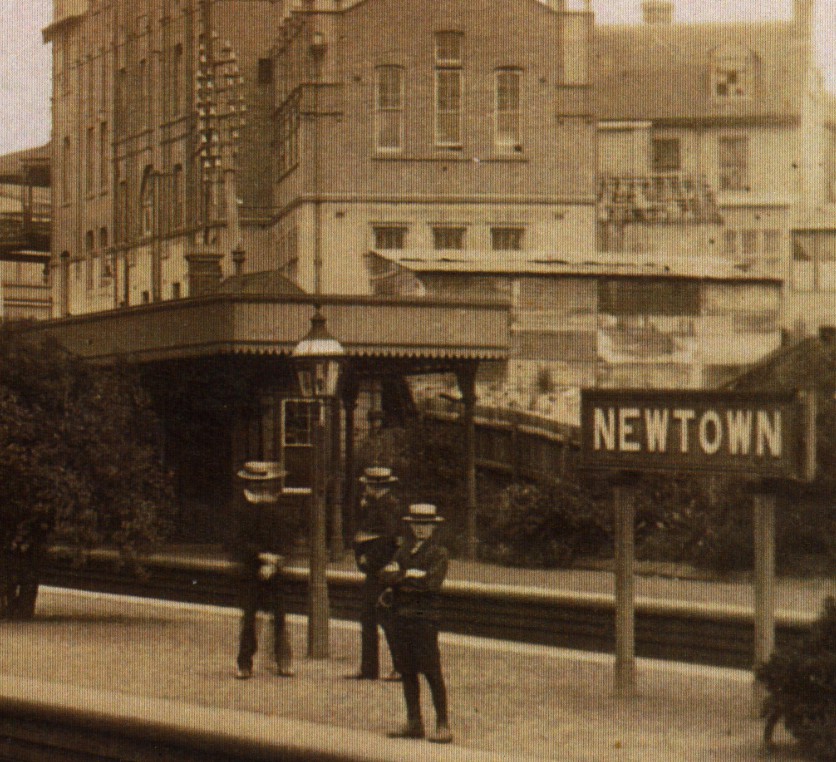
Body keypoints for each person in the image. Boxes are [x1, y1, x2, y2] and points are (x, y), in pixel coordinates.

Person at [379, 503, 452, 744]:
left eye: (426, 525)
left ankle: (443, 724)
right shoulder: (404, 551)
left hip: (424, 618)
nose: (421, 529)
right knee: (406, 670)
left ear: (433, 527)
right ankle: (414, 722)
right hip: (401, 616)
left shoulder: (439, 553)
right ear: (411, 526)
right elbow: (385, 575)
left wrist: (402, 577)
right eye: (417, 524)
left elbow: (431, 584)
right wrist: (410, 575)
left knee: (431, 670)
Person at [229, 460, 295, 680]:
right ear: (249, 484)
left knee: (280, 617)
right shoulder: (238, 509)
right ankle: (244, 662)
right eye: (259, 484)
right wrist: (261, 556)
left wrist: (275, 561)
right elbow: (236, 543)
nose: (263, 489)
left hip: (274, 570)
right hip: (249, 571)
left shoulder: (275, 507)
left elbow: (286, 538)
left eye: (265, 484)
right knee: (249, 619)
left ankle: (283, 660)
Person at [347, 466, 401, 681]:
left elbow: (388, 539)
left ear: (375, 487)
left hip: (382, 572)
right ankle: (370, 669)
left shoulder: (386, 507)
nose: (365, 489)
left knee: (384, 620)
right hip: (377, 572)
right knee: (370, 619)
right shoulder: (378, 505)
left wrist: (369, 559)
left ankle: (398, 668)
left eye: (368, 485)